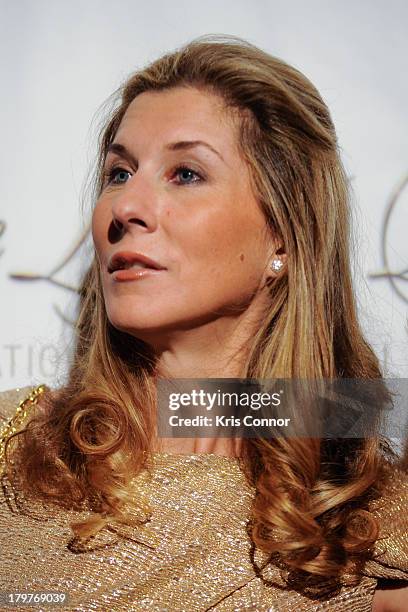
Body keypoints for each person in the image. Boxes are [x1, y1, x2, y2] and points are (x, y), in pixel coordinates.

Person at [0, 35, 407, 611]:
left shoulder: (371, 531)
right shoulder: (13, 447)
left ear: (285, 233)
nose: (126, 207)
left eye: (185, 174)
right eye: (118, 172)